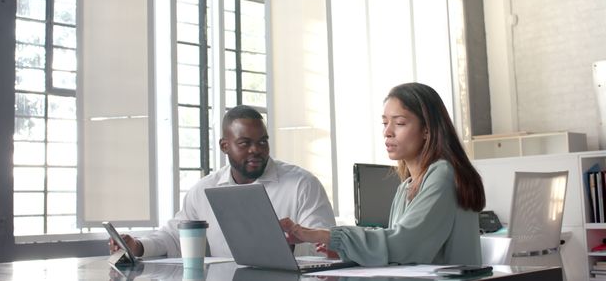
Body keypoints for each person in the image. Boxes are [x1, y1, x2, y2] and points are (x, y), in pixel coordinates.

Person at [280, 82, 486, 266]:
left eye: (400, 123)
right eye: (385, 122)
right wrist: (345, 249)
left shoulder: (442, 173)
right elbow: (394, 246)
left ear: (427, 130)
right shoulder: (406, 186)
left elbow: (404, 244)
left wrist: (324, 235)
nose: (387, 132)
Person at [109, 105, 335, 258]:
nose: (256, 150)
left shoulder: (302, 185)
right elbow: (175, 236)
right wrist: (137, 246)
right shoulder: (205, 189)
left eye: (262, 142)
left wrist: (291, 244)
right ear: (224, 146)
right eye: (245, 143)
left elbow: (327, 246)